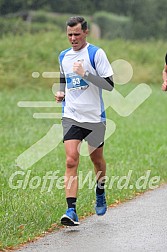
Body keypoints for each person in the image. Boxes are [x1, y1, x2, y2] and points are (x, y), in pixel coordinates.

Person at [55, 16, 114, 226]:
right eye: (69, 34)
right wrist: (61, 92)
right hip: (71, 115)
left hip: (94, 118)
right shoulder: (64, 55)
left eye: (76, 34)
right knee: (71, 160)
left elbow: (109, 85)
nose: (72, 38)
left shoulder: (95, 53)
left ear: (86, 32)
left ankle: (100, 191)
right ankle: (71, 210)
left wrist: (86, 73)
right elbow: (64, 76)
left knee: (96, 160)